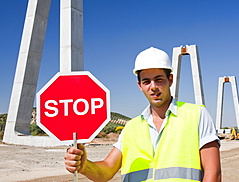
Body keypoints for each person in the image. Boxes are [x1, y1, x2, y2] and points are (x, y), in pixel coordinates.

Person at [65, 47, 221, 182]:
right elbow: (106, 171)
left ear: (170, 79)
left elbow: (213, 174)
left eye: (159, 80)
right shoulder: (131, 128)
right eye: (146, 81)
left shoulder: (197, 115)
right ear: (139, 85)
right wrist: (84, 165)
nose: (153, 87)